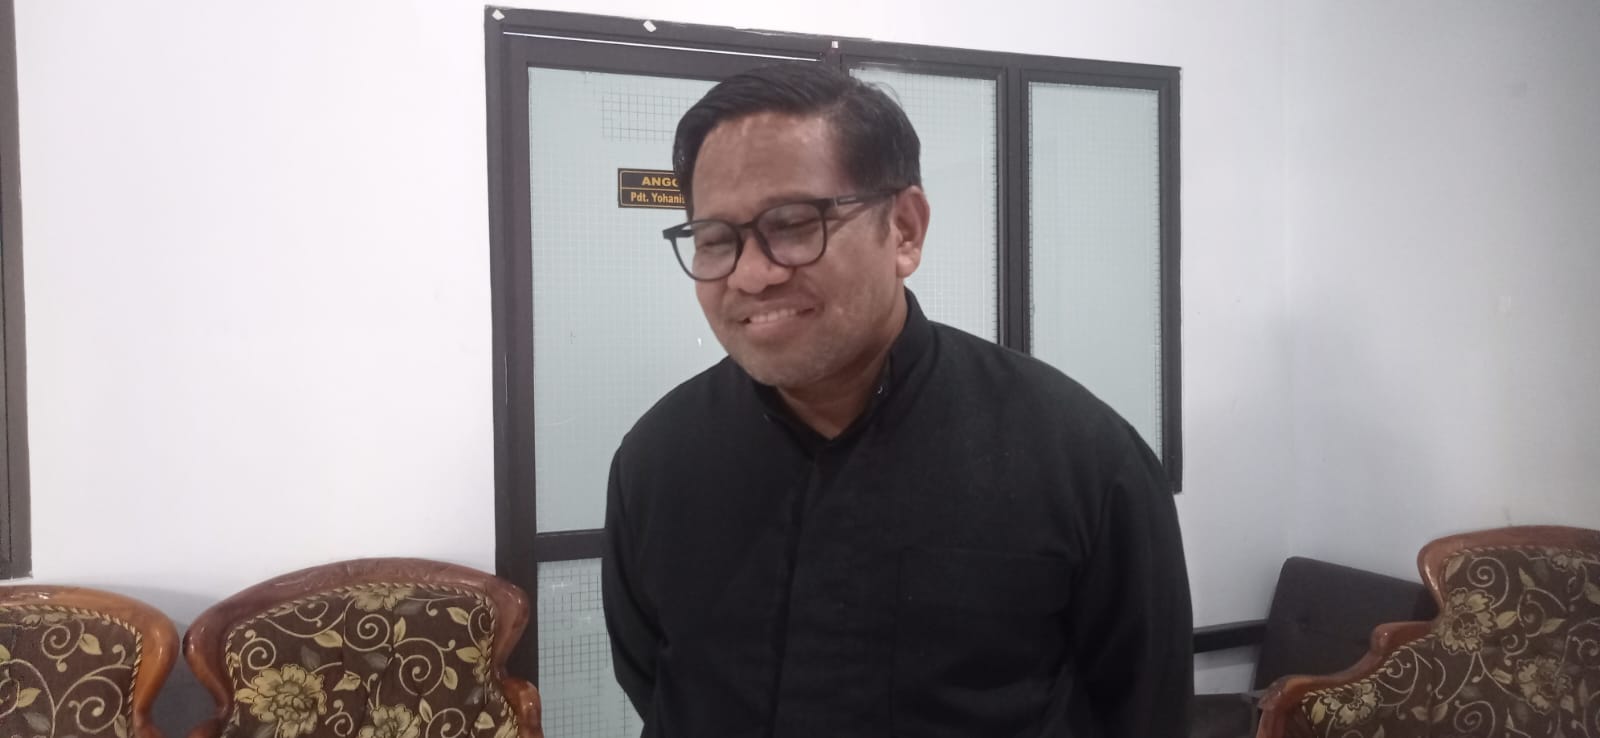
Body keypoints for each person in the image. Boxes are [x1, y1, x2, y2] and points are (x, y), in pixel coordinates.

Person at [602, 62, 1191, 738]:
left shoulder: (1082, 461)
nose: (751, 275)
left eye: (792, 225)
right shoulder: (658, 461)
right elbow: (656, 682)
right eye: (714, 240)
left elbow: (1144, 710)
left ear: (904, 229)